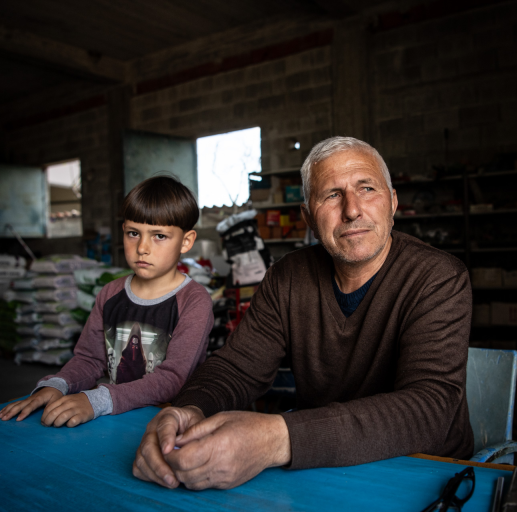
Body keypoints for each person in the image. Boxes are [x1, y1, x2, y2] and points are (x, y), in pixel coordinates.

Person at [133, 137, 473, 490]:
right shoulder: (287, 277)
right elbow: (237, 368)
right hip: (323, 470)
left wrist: (276, 438)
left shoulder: (438, 277)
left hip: (427, 473)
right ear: (309, 216)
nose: (352, 210)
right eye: (332, 195)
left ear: (392, 202)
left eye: (367, 188)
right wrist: (189, 409)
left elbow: (429, 409)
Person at [0, 176, 214, 428]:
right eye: (134, 233)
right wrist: (57, 384)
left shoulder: (194, 301)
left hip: (167, 424)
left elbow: (173, 379)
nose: (142, 247)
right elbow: (89, 359)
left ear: (186, 241)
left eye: (159, 236)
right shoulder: (110, 293)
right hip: (112, 417)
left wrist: (96, 400)